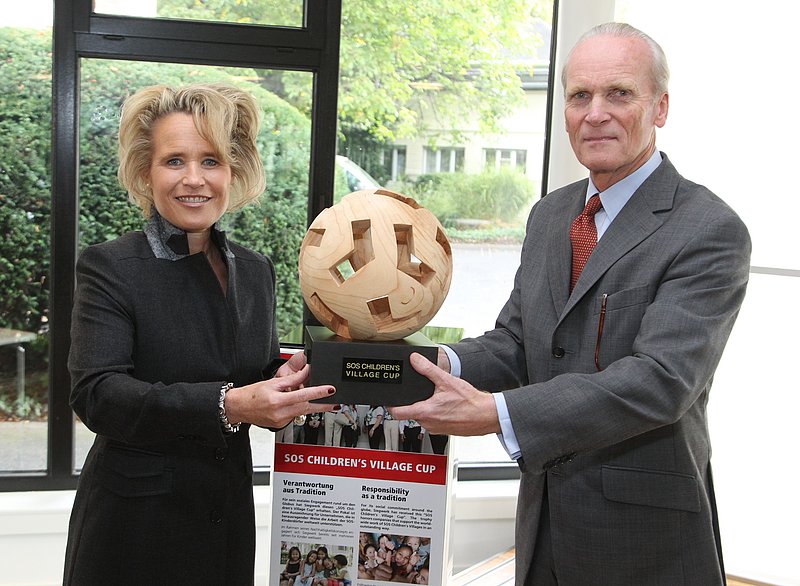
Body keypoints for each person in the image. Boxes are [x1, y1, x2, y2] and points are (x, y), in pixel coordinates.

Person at [392, 22, 751, 586]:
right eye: (580, 95)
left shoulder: (708, 229)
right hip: (544, 529)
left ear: (660, 107)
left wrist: (497, 414)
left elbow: (660, 381)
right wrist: (437, 365)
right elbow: (517, 342)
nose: (595, 112)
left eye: (619, 94)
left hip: (645, 544)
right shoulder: (550, 216)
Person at [62, 83, 337, 585]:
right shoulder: (111, 267)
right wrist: (230, 405)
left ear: (233, 170)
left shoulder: (255, 270)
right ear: (147, 172)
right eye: (174, 161)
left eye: (211, 161)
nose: (195, 180)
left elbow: (248, 371)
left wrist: (286, 377)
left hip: (225, 520)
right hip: (134, 531)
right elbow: (97, 395)